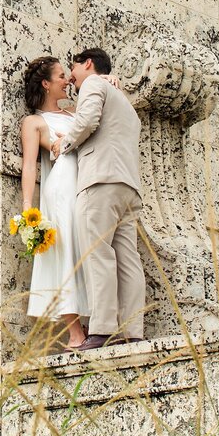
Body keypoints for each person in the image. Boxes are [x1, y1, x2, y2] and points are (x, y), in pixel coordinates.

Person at [52, 47, 145, 349]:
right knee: (128, 260)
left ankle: (102, 330)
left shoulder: (93, 84)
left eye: (73, 68)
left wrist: (64, 144)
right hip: (128, 186)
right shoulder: (124, 102)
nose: (72, 78)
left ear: (88, 64)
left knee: (98, 253)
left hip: (99, 180)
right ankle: (134, 330)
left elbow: (88, 120)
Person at [19, 56, 89, 350]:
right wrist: (27, 207)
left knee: (86, 249)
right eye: (61, 76)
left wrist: (109, 80)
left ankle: (93, 325)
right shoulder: (34, 121)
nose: (67, 80)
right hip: (60, 188)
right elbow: (30, 166)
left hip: (85, 184)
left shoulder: (76, 113)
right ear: (46, 84)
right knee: (65, 252)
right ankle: (75, 332)